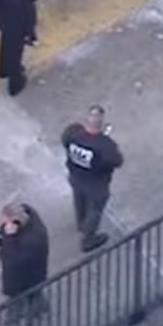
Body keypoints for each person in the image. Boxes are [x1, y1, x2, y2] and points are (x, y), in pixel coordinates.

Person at [60, 105, 124, 253]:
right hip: (96, 183)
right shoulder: (105, 145)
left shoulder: (73, 133)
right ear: (101, 124)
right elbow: (117, 161)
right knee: (94, 210)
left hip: (75, 176)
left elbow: (64, 141)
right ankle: (88, 239)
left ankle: (81, 223)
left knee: (79, 200)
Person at [0, 202, 50, 326]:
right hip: (34, 275)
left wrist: (10, 239)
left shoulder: (32, 239)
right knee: (35, 294)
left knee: (15, 303)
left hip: (23, 279)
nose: (4, 225)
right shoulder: (29, 223)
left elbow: (16, 260)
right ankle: (42, 309)